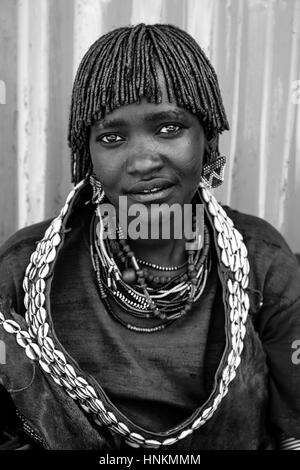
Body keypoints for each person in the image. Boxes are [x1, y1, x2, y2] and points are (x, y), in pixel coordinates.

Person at [0, 23, 300, 451]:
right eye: (112, 137)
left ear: (207, 137)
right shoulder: (24, 267)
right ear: (88, 153)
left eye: (168, 128)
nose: (142, 161)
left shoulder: (261, 259)